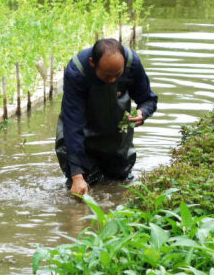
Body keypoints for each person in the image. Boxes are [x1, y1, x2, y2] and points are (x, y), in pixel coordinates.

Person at [55, 38, 158, 196]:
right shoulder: (77, 72)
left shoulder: (132, 63)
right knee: (79, 191)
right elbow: (73, 125)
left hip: (116, 138)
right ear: (92, 63)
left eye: (118, 75)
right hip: (81, 137)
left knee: (119, 188)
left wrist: (143, 113)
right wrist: (77, 175)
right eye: (107, 76)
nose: (112, 80)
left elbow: (148, 99)